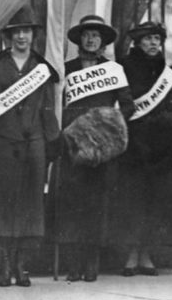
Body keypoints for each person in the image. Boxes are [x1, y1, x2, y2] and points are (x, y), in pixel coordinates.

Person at [0, 7, 59, 287]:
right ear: (7, 36)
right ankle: (4, 263)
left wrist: (53, 142)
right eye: (16, 31)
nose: (21, 36)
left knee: (30, 205)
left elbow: (48, 108)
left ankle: (21, 264)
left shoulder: (42, 68)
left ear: (33, 35)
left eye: (26, 31)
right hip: (1, 142)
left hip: (33, 144)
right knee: (3, 205)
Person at [53, 14, 134, 282]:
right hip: (72, 144)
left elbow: (127, 106)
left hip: (101, 149)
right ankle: (73, 265)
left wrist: (106, 127)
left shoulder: (114, 70)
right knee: (71, 205)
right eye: (87, 34)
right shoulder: (66, 68)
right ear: (80, 39)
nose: (91, 39)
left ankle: (91, 263)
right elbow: (57, 105)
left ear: (102, 41)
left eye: (96, 35)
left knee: (96, 205)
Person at [108, 21, 172, 276]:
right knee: (133, 200)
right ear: (137, 42)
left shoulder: (166, 70)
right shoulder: (124, 66)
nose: (154, 43)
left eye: (157, 39)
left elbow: (171, 104)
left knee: (155, 201)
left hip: (158, 144)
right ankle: (131, 254)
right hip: (132, 141)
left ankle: (146, 254)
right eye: (148, 39)